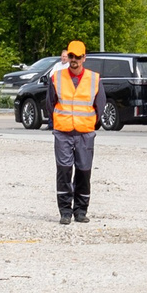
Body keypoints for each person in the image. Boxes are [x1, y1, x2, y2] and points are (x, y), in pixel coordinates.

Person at [45, 41, 102, 223]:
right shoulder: (57, 77)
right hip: (63, 132)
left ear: (84, 58)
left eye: (78, 57)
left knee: (84, 171)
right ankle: (65, 211)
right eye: (71, 56)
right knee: (64, 171)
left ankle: (80, 210)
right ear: (67, 57)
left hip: (85, 133)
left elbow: (100, 105)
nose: (74, 60)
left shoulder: (94, 79)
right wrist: (56, 123)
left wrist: (91, 125)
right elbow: (50, 103)